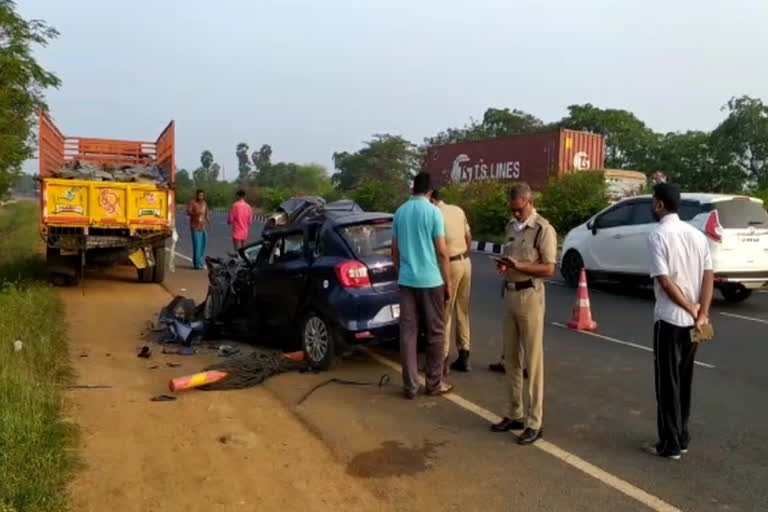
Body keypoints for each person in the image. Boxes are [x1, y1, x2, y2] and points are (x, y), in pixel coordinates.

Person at [646, 183, 713, 460]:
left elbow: (664, 280)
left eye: (653, 202)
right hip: (695, 324)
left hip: (670, 320)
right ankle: (682, 436)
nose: (653, 206)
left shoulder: (657, 236)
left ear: (660, 204)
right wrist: (701, 313)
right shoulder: (697, 236)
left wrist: (688, 307)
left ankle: (669, 443)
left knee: (667, 382)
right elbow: (709, 275)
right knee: (685, 379)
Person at [491, 182, 557, 445]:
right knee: (511, 359)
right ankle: (514, 413)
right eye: (513, 210)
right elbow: (510, 258)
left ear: (529, 202)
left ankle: (534, 421)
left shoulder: (543, 229)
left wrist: (521, 266)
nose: (516, 214)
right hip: (510, 293)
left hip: (530, 295)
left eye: (519, 209)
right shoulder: (510, 228)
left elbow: (550, 269)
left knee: (533, 360)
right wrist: (506, 266)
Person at [392, 172, 453, 399]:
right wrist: (449, 282)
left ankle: (410, 387)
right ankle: (434, 384)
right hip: (431, 281)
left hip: (407, 281)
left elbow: (394, 251)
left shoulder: (400, 212)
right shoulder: (434, 212)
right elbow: (443, 252)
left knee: (408, 333)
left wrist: (400, 275)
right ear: (430, 192)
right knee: (436, 333)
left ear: (412, 189)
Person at [430, 188, 473, 373]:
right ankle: (464, 354)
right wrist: (464, 254)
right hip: (466, 262)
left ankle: (443, 359)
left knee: (444, 312)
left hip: (450, 264)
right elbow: (469, 238)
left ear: (432, 199)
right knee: (462, 310)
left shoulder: (434, 214)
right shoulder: (457, 210)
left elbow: (437, 248)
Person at [185, 189, 210, 270]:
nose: (201, 197)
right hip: (195, 227)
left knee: (203, 245)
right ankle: (196, 264)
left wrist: (208, 219)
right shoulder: (192, 203)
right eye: (199, 195)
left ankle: (201, 262)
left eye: (202, 195)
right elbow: (188, 211)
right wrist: (195, 214)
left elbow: (206, 212)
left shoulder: (204, 203)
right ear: (196, 195)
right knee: (197, 246)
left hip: (202, 227)